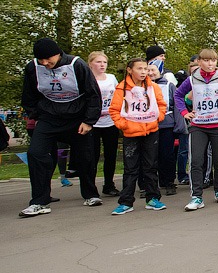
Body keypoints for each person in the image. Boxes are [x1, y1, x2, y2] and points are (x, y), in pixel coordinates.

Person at [20, 38, 104, 217]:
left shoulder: (77, 64)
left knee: (85, 156)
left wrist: (89, 121)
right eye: (41, 60)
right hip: (49, 118)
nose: (45, 63)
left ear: (58, 53)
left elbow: (93, 94)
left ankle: (90, 194)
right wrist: (36, 114)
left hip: (77, 118)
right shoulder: (32, 68)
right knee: (36, 153)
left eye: (48, 59)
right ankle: (40, 201)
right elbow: (28, 95)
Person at [175, 49, 218, 210]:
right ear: (199, 62)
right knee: (196, 161)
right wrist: (184, 112)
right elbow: (178, 95)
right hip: (198, 126)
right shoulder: (192, 79)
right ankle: (196, 197)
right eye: (206, 60)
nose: (210, 64)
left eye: (212, 61)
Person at [108, 58, 167, 214]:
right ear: (129, 70)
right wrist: (125, 125)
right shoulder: (121, 89)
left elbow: (162, 105)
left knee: (150, 166)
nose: (143, 72)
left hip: (151, 131)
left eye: (145, 69)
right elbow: (114, 111)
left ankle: (153, 199)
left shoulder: (153, 87)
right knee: (130, 168)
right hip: (131, 133)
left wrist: (157, 119)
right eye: (139, 69)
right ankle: (126, 202)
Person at [88, 51, 120, 197]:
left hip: (110, 121)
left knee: (110, 155)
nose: (102, 65)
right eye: (98, 62)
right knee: (92, 156)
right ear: (90, 64)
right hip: (93, 123)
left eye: (104, 62)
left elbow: (119, 96)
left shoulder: (112, 78)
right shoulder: (87, 78)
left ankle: (109, 184)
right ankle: (90, 187)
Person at [150, 54, 182, 196]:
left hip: (166, 125)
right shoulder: (141, 86)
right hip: (148, 125)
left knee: (167, 155)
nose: (151, 73)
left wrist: (178, 126)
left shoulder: (169, 85)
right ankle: (148, 184)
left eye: (154, 70)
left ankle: (168, 181)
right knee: (150, 156)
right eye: (148, 70)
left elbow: (176, 106)